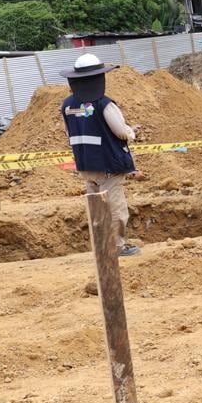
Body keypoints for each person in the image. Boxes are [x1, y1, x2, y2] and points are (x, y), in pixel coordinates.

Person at [59, 53, 141, 257]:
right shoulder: (104, 104)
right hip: (108, 166)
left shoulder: (67, 105)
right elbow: (120, 131)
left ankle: (102, 246)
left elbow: (70, 132)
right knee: (116, 210)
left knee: (96, 209)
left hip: (86, 164)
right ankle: (118, 247)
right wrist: (131, 132)